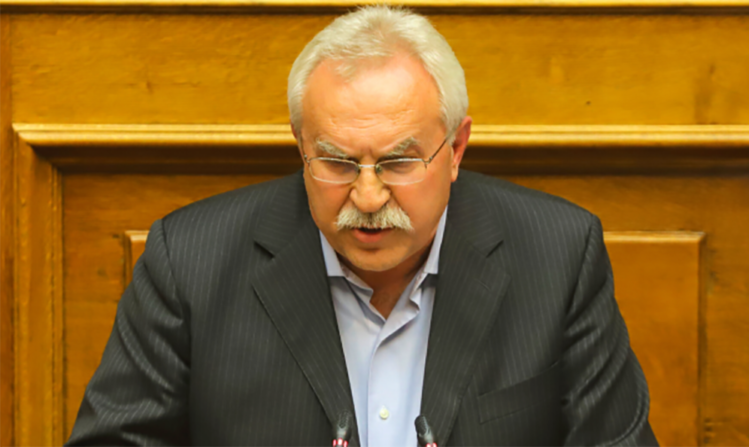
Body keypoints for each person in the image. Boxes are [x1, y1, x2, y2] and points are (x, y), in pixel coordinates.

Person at [66, 5, 657, 447]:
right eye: (337, 162)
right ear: (300, 145)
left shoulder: (558, 257)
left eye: (398, 163)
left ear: (456, 149)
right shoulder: (190, 263)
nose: (368, 197)